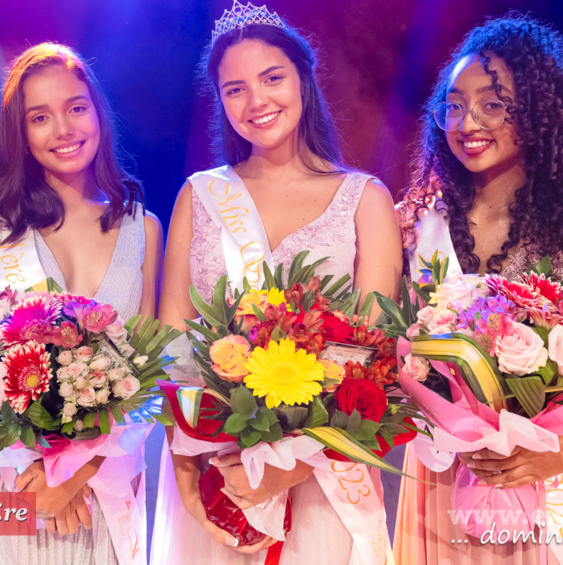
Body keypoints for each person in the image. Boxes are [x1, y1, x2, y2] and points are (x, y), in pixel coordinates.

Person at [151, 3, 402, 564]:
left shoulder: (365, 199)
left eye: (272, 78)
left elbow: (374, 358)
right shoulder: (200, 196)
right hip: (217, 466)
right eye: (235, 89)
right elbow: (173, 351)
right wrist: (186, 474)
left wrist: (287, 466)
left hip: (323, 475)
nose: (256, 101)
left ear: (303, 81)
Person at [394, 16, 563, 564]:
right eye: (453, 106)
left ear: (541, 112)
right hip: (442, 470)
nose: (466, 122)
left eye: (493, 104)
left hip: (545, 470)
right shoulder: (416, 225)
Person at [0, 43, 163, 564]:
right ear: (19, 134)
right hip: (9, 480)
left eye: (76, 108)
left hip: (102, 486)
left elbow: (151, 379)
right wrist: (37, 474)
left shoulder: (144, 228)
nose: (64, 130)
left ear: (98, 113)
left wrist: (74, 475)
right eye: (40, 117)